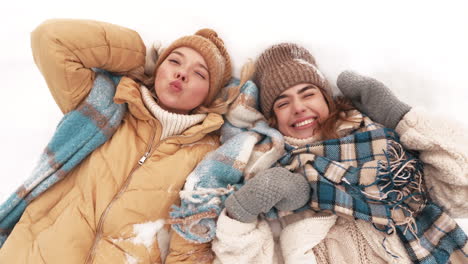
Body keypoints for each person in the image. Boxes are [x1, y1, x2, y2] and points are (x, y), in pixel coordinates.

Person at [0, 18, 235, 264]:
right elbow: (50, 38)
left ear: (210, 93)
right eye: (174, 60)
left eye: (199, 73)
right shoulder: (105, 105)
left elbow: (189, 248)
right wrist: (138, 59)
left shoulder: (209, 154)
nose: (182, 73)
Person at [212, 43, 468, 264]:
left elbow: (461, 191)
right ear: (273, 119)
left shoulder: (385, 144)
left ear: (327, 99)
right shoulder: (269, 169)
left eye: (308, 94)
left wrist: (399, 116)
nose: (299, 108)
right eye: (283, 103)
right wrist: (241, 212)